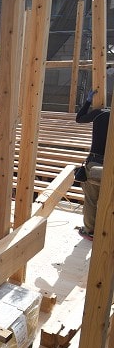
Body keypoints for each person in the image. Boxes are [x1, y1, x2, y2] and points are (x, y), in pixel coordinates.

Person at [76, 89, 110, 241]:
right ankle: (107, 229)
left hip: (95, 163)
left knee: (91, 199)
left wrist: (88, 101)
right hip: (111, 163)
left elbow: (79, 118)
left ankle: (89, 231)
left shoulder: (101, 113)